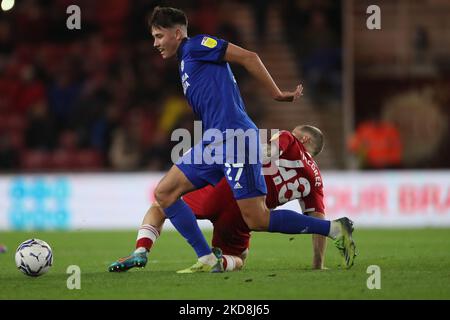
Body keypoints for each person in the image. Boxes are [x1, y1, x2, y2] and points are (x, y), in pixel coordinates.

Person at [142, 6, 353, 273]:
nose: (155, 43)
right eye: (153, 37)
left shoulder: (197, 45)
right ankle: (206, 257)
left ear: (176, 33)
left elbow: (249, 56)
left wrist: (276, 93)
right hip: (214, 140)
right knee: (164, 193)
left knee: (257, 218)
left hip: (234, 136)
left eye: (159, 36)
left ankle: (335, 228)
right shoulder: (186, 59)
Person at [109, 125, 357, 272]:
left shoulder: (289, 139)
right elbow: (315, 215)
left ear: (304, 139)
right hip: (248, 215)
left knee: (162, 203)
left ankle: (142, 250)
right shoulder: (315, 180)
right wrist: (318, 262)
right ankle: (223, 262)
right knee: (240, 257)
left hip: (229, 189)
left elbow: (266, 153)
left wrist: (238, 151)